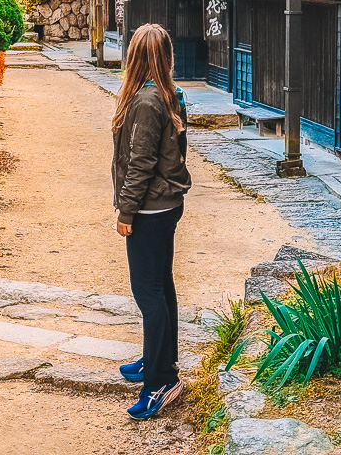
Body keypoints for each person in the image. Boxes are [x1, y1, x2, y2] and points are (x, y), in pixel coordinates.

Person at [111, 23, 191, 421]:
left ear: (135, 57)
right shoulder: (170, 94)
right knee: (162, 286)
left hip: (148, 208)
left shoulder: (146, 101)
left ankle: (161, 380)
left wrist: (126, 212)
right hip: (167, 204)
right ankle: (158, 359)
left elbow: (140, 164)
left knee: (148, 294)